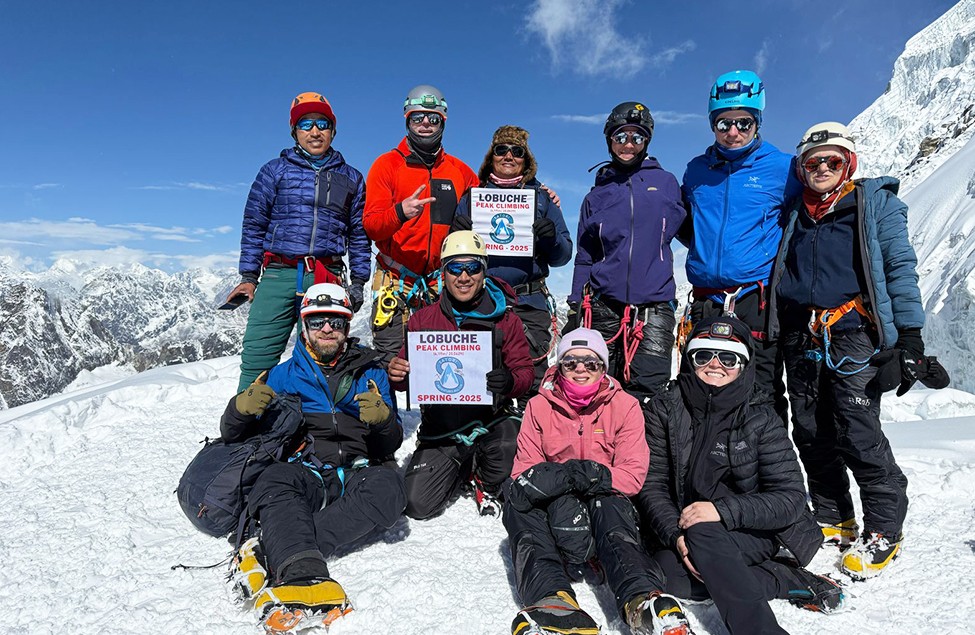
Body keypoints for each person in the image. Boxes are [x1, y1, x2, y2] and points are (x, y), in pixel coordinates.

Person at [769, 122, 950, 579]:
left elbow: (900, 270)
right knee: (810, 429)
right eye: (814, 162)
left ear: (848, 163)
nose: (823, 168)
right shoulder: (795, 212)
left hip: (852, 333)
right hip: (802, 335)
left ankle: (885, 529)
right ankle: (834, 516)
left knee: (858, 429)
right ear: (802, 169)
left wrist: (909, 338)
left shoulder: (875, 207)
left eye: (833, 160)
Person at [637, 316, 846, 635]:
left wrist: (720, 511)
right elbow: (652, 486)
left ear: (744, 364)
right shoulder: (665, 408)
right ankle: (785, 579)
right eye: (703, 355)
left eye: (728, 357)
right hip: (689, 528)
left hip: (755, 530)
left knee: (704, 535)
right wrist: (676, 538)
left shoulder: (761, 415)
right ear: (690, 360)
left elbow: (789, 498)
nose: (714, 365)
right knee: (669, 572)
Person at [225, 283, 406, 633]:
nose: (327, 329)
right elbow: (236, 438)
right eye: (318, 321)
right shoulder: (283, 375)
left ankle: (277, 549)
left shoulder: (372, 373)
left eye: (335, 322)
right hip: (307, 470)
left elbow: (390, 444)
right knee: (274, 480)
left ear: (347, 327)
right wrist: (239, 411)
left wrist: (383, 421)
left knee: (391, 487)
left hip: (358, 471)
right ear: (304, 327)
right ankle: (304, 573)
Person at [505, 328, 695, 635]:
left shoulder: (625, 406)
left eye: (590, 363)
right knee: (518, 500)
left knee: (609, 503)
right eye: (571, 362)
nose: (581, 369)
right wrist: (567, 483)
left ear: (603, 368)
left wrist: (594, 476)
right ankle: (553, 600)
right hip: (556, 508)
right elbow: (524, 471)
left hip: (605, 505)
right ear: (559, 366)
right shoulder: (539, 406)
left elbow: (632, 475)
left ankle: (642, 601)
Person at [226, 92, 371, 393]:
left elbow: (358, 233)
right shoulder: (273, 171)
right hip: (280, 272)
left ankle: (314, 427)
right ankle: (245, 424)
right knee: (259, 354)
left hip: (326, 275)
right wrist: (249, 277)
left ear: (333, 130)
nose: (315, 131)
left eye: (322, 124)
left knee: (323, 355)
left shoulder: (352, 178)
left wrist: (358, 281)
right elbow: (254, 223)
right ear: (294, 131)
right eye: (306, 124)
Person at [680, 70, 802, 422]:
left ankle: (768, 474)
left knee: (760, 391)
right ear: (712, 125)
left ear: (757, 122)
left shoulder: (783, 168)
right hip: (707, 300)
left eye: (743, 123)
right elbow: (689, 223)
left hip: (757, 299)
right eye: (723, 124)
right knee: (699, 388)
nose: (733, 132)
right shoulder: (696, 171)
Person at [387, 231, 534, 518]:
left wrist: (510, 382)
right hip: (441, 428)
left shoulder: (506, 319)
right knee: (417, 504)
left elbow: (525, 372)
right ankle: (460, 467)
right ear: (444, 273)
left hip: (491, 420)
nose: (463, 276)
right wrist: (399, 374)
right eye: (455, 268)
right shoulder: (422, 320)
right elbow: (407, 378)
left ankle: (483, 472)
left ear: (484, 270)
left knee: (506, 458)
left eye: (472, 267)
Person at [568, 101, 685, 401]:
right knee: (600, 389)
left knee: (649, 395)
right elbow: (585, 255)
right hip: (604, 306)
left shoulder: (667, 184)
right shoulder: (596, 196)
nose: (628, 144)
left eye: (637, 137)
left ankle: (646, 450)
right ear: (609, 140)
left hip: (654, 307)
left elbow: (692, 233)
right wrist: (574, 304)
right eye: (621, 137)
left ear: (647, 141)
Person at [453, 125, 573, 396]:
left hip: (529, 305)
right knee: (481, 383)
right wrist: (456, 233)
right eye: (501, 150)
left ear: (526, 160)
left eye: (517, 151)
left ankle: (533, 437)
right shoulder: (472, 199)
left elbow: (563, 256)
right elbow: (451, 259)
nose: (509, 156)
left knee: (532, 385)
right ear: (491, 157)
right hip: (481, 304)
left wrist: (550, 238)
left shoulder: (542, 200)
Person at [363, 85, 479, 363]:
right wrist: (400, 213)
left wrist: (539, 193)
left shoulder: (461, 171)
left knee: (443, 363)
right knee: (390, 364)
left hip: (443, 282)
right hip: (395, 281)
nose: (425, 123)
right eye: (418, 117)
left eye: (433, 118)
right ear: (407, 120)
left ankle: (435, 409)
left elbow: (493, 204)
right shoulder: (387, 165)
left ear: (443, 122)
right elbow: (371, 226)